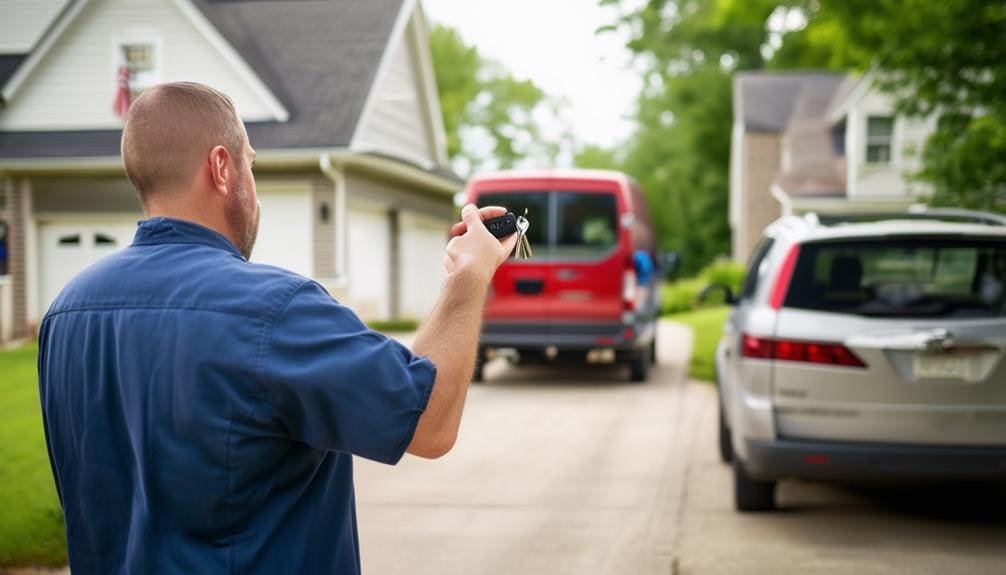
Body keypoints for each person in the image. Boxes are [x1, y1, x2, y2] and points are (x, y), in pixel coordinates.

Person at [37, 82, 518, 574]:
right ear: (222, 168)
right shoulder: (275, 310)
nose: (254, 186)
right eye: (250, 163)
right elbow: (430, 423)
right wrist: (471, 275)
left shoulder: (65, 315)